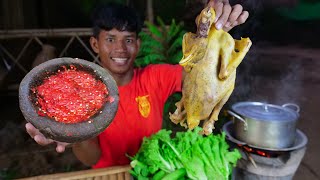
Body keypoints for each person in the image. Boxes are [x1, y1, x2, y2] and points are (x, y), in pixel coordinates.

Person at [26, 0, 249, 168]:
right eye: (110, 39)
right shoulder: (84, 95)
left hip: (151, 171)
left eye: (128, 39)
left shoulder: (156, 77)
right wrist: (72, 134)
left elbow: (201, 82)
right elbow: (92, 159)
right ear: (95, 44)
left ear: (138, 44)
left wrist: (212, 37)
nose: (120, 49)